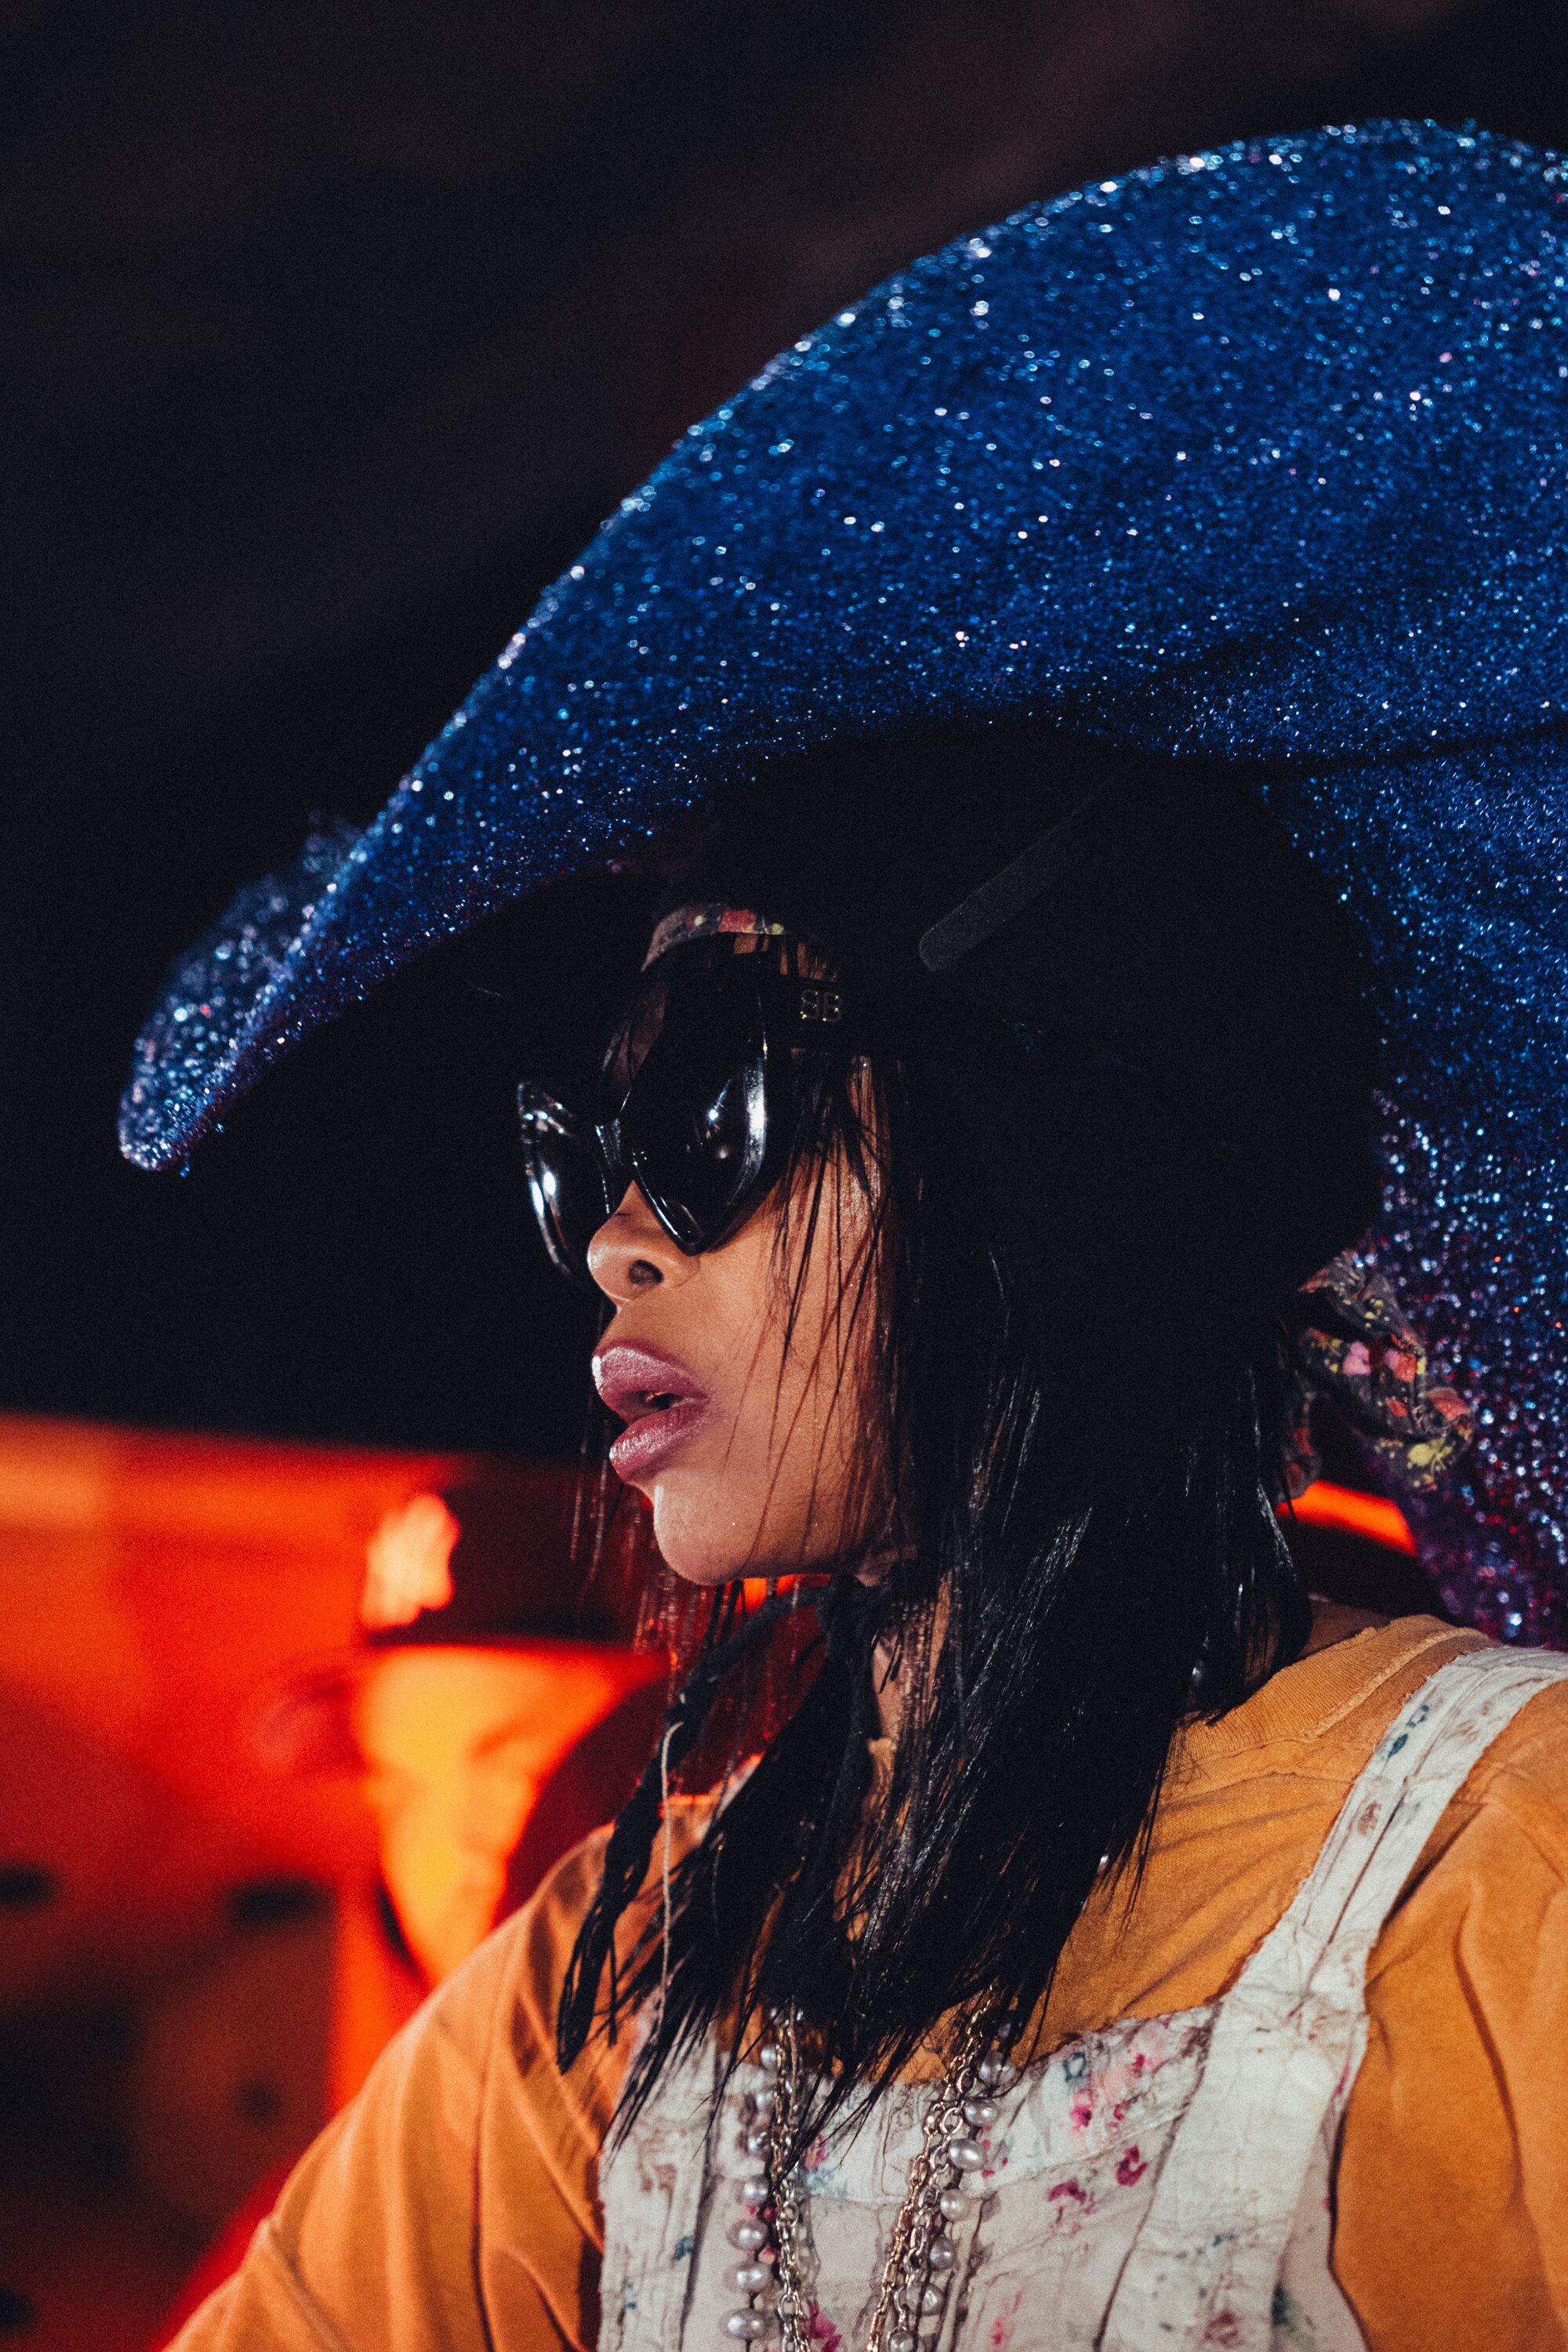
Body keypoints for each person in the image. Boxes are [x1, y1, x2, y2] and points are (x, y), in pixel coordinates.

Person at [131, 125, 1568, 2350]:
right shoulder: (624, 1974)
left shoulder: (1509, 1871)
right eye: (590, 1132)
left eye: (713, 1097)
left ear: (1070, 1155)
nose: (614, 1237)